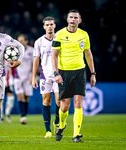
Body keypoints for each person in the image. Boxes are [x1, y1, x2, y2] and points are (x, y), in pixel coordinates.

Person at [52, 9, 96, 143]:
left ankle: (76, 135)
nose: (73, 20)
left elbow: (88, 54)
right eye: (71, 17)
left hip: (79, 72)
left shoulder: (84, 35)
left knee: (78, 103)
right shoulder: (59, 34)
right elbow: (54, 55)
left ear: (79, 21)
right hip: (64, 73)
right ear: (67, 20)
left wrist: (93, 73)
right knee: (64, 106)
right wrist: (56, 73)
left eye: (75, 18)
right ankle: (61, 125)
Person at [32, 16, 60, 138]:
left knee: (60, 102)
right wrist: (34, 77)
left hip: (59, 75)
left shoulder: (60, 39)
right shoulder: (39, 42)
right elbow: (36, 61)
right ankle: (48, 130)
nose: (49, 26)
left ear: (54, 26)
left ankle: (57, 122)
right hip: (45, 76)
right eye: (47, 25)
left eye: (51, 24)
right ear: (44, 27)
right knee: (46, 101)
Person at [14, 34, 33, 124]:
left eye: (22, 40)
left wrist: (33, 76)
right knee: (20, 96)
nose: (20, 42)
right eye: (18, 41)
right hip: (17, 76)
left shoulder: (31, 51)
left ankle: (24, 114)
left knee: (26, 97)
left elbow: (34, 64)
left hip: (28, 77)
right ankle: (22, 116)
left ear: (26, 41)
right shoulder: (14, 51)